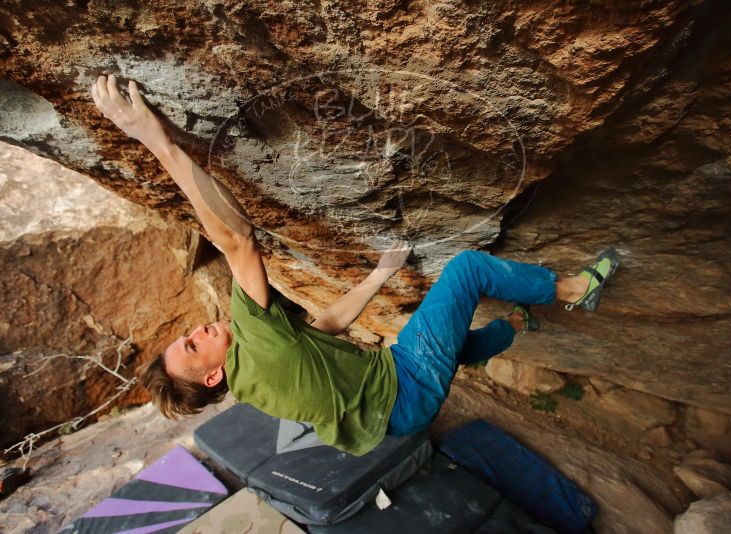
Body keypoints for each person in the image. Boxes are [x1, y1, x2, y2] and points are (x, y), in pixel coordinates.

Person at [91, 75, 620, 456]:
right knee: (466, 270)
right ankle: (573, 288)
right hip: (403, 386)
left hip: (391, 417)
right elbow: (236, 240)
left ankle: (511, 330)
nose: (198, 330)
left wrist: (379, 273)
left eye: (186, 334)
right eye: (192, 344)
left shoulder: (254, 384)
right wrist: (157, 140)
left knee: (448, 344)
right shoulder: (250, 340)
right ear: (211, 374)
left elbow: (326, 327)